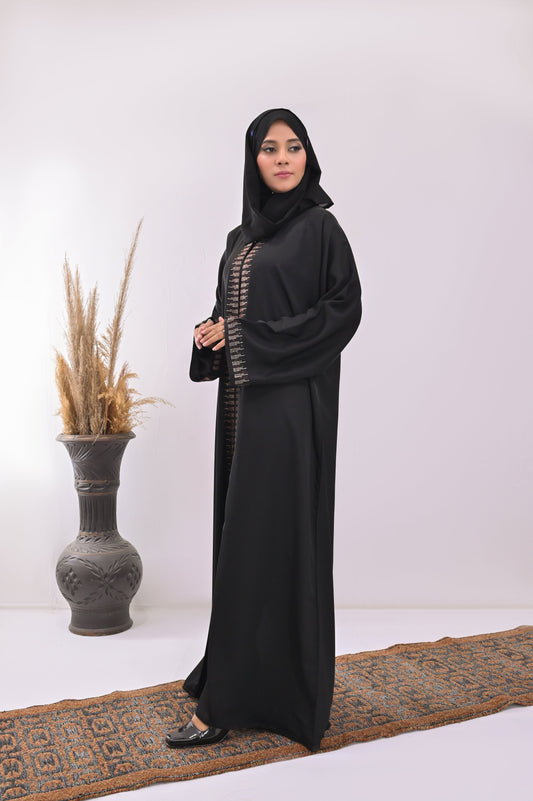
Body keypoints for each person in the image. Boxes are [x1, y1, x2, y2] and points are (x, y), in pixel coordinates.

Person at [165, 108, 362, 752]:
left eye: (293, 147)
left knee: (266, 543)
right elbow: (235, 309)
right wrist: (214, 333)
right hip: (240, 412)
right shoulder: (240, 236)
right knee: (240, 542)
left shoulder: (321, 229)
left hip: (289, 416)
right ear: (253, 160)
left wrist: (246, 337)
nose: (282, 158)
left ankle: (230, 701)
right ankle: (238, 674)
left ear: (308, 156)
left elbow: (341, 313)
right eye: (269, 148)